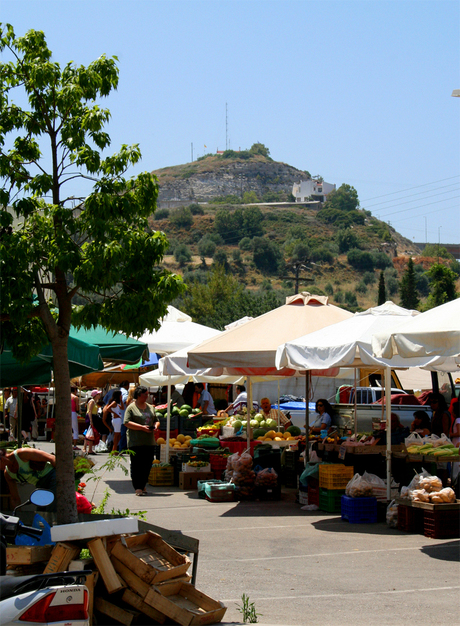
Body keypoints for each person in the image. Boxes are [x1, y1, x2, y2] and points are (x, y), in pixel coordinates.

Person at [123, 386, 156, 496]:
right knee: (137, 465)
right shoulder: (131, 408)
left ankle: (143, 485)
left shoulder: (150, 407)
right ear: (138, 395)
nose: (147, 396)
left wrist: (155, 426)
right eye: (145, 394)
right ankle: (138, 487)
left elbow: (156, 420)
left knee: (147, 464)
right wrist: (142, 427)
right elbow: (126, 422)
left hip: (149, 441)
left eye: (148, 394)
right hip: (135, 441)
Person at [104, 390, 125, 455]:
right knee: (117, 435)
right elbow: (108, 408)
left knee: (118, 435)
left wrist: (121, 400)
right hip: (116, 419)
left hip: (118, 419)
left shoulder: (117, 403)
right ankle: (114, 450)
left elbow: (122, 408)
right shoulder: (114, 402)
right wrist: (114, 413)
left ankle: (114, 449)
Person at [84, 390, 101, 455]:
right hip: (91, 417)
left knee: (89, 432)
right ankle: (89, 449)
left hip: (93, 417)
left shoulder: (94, 402)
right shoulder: (92, 401)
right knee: (91, 432)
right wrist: (91, 420)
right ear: (95, 395)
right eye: (98, 394)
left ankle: (86, 448)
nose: (99, 396)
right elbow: (90, 411)